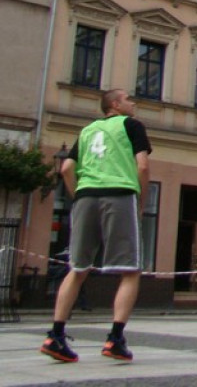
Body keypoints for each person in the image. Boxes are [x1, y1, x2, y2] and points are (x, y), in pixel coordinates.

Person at [40, 89, 151, 363]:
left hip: (86, 195)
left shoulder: (88, 130)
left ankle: (55, 335)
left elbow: (67, 168)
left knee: (77, 268)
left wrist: (77, 196)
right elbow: (142, 167)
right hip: (119, 193)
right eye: (128, 99)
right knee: (131, 270)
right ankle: (115, 339)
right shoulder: (131, 125)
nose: (133, 103)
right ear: (115, 104)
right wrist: (140, 201)